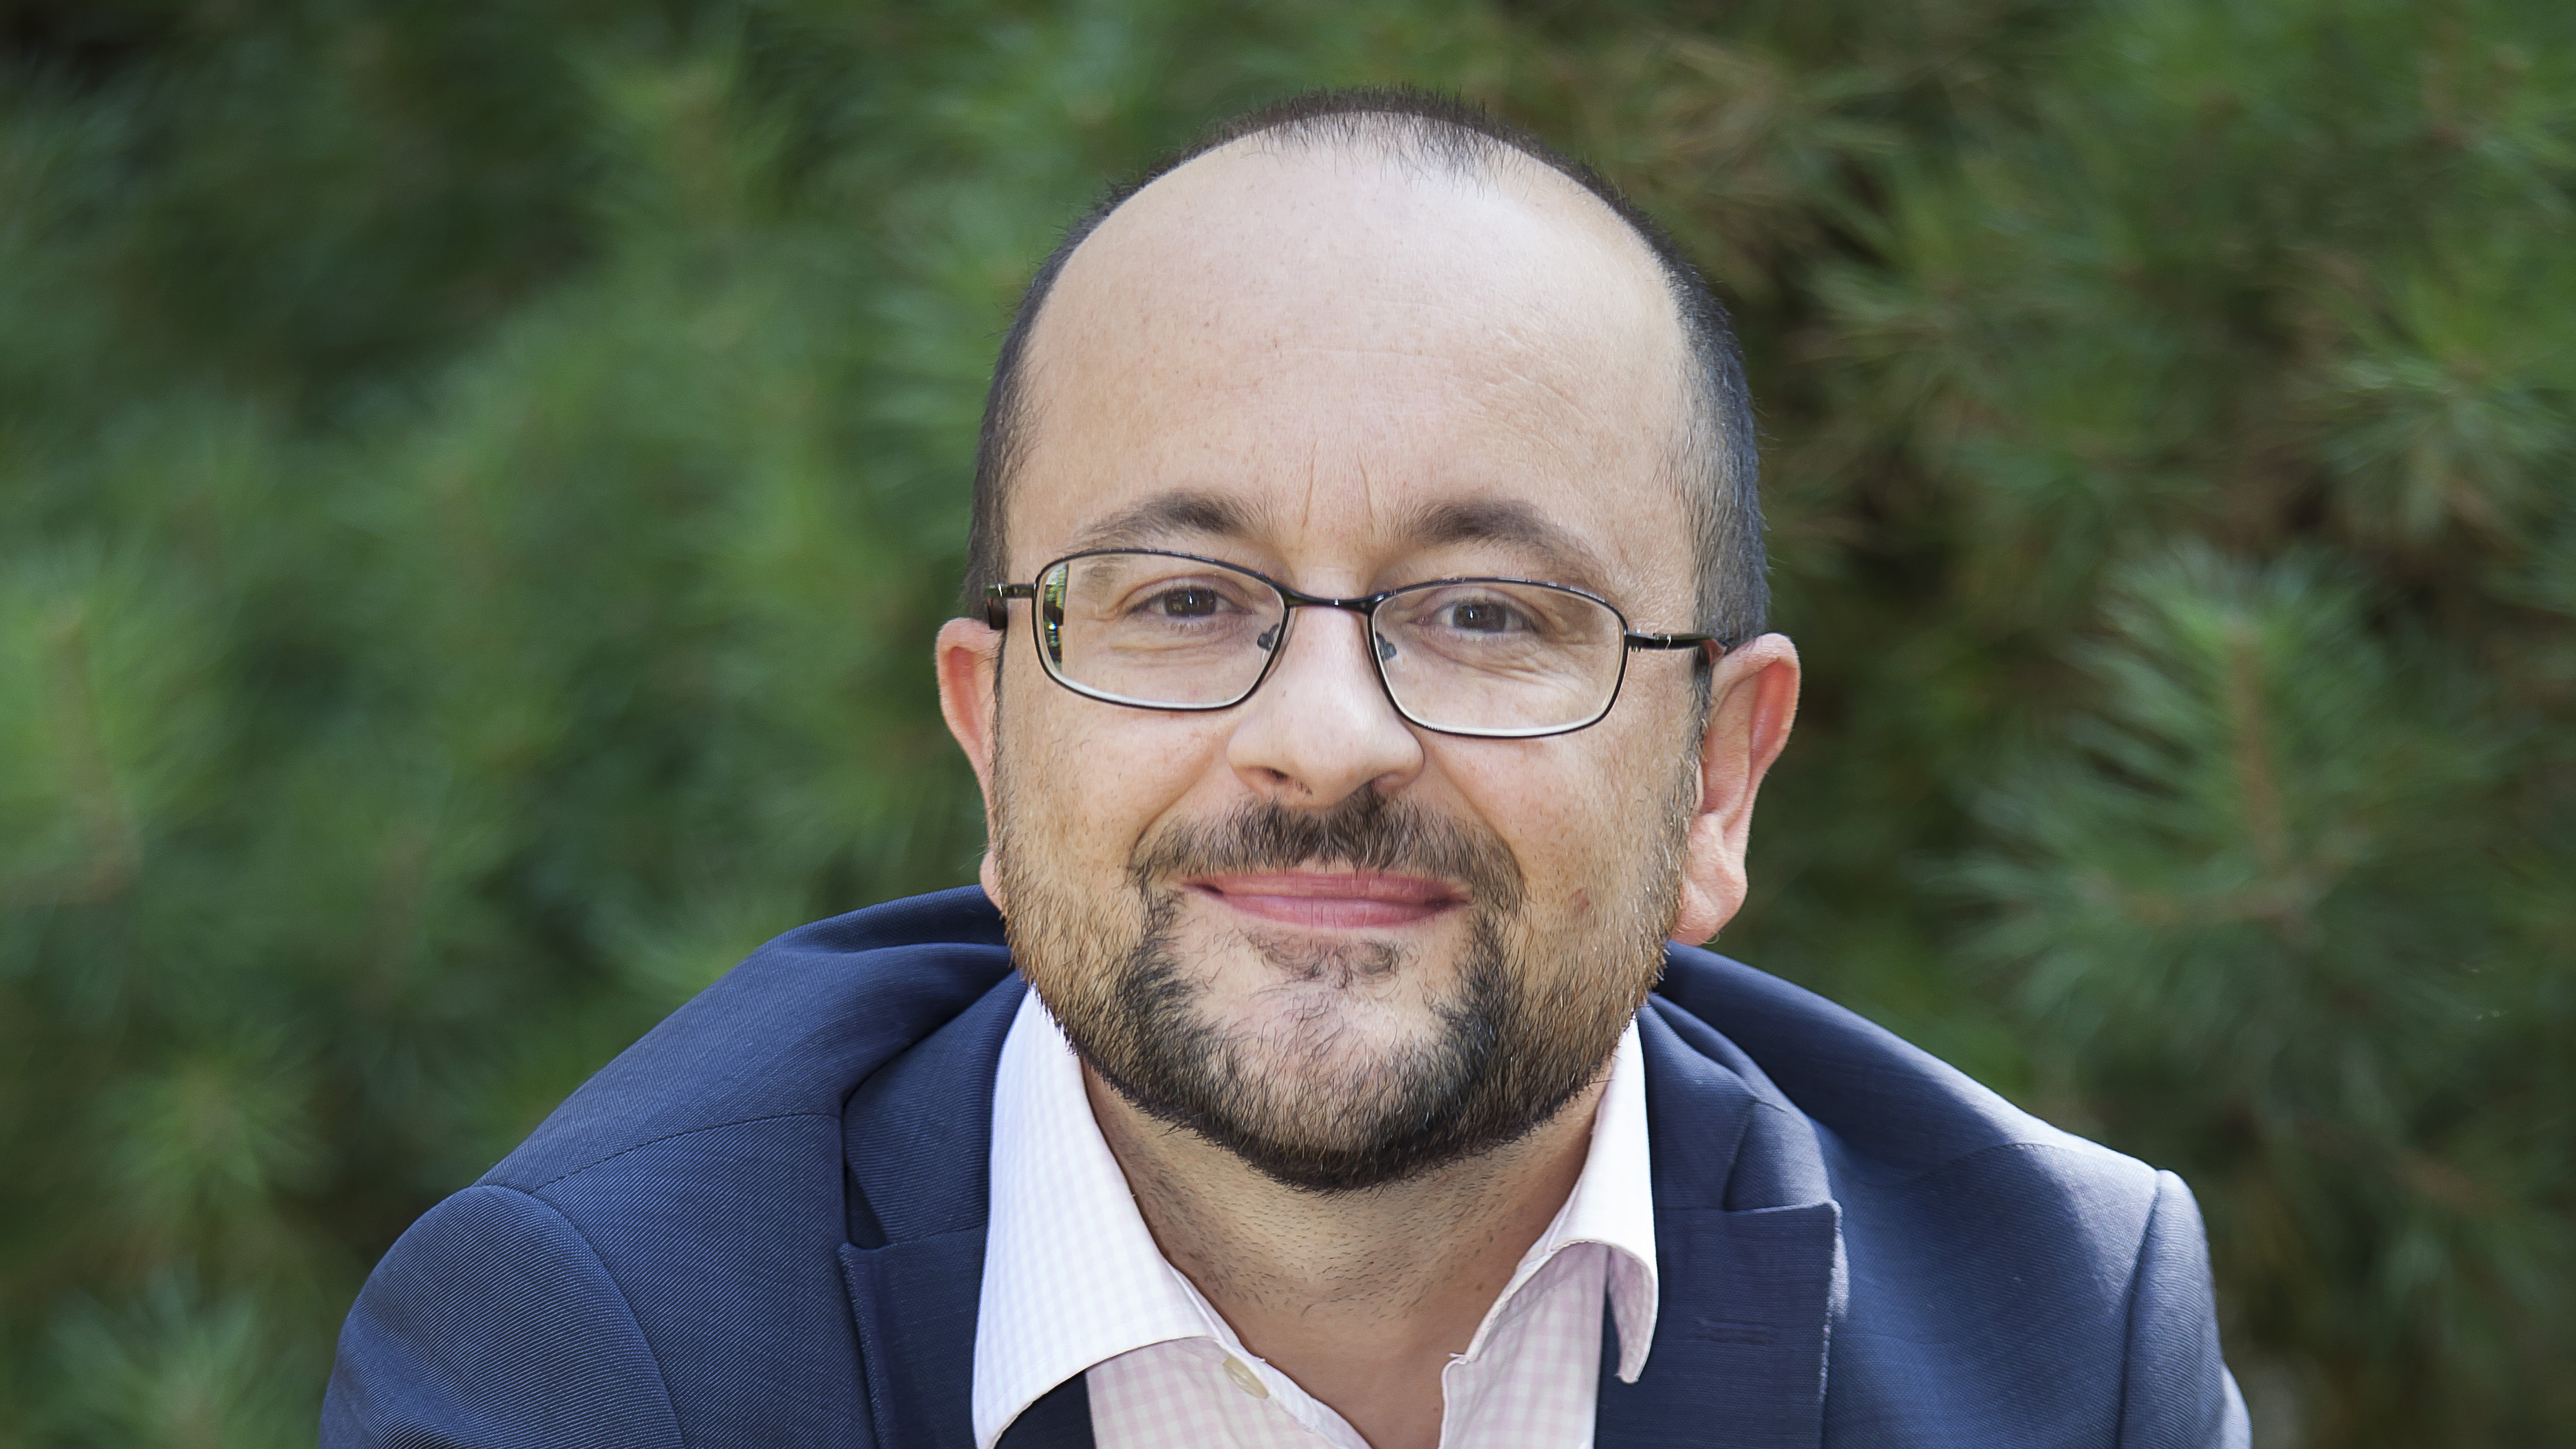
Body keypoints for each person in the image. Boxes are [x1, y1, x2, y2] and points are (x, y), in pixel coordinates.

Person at [321, 89, 2248, 1449]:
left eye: (1487, 613)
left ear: (1718, 781)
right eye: (1180, 600)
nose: (1325, 738)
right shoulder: (596, 1361)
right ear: (992, 740)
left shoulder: (2051, 1337)